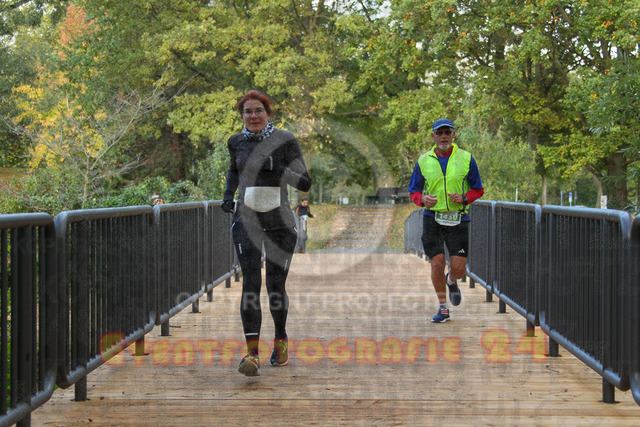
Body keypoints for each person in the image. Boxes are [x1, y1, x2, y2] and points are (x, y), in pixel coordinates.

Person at [221, 90, 312, 376]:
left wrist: (280, 170)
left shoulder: (285, 139)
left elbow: (305, 183)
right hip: (246, 221)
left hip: (279, 224)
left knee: (275, 286)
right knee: (250, 283)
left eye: (258, 110)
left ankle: (280, 341)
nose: (253, 116)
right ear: (241, 115)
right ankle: (251, 355)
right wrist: (228, 194)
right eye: (247, 112)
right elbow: (234, 171)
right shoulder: (236, 142)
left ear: (268, 113)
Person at [407, 119, 484, 323]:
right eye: (439, 133)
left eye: (447, 133)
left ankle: (451, 281)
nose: (443, 136)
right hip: (432, 218)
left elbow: (478, 189)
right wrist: (423, 200)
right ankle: (443, 308)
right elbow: (413, 191)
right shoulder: (424, 161)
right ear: (433, 136)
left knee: (459, 268)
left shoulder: (466, 158)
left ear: (453, 135)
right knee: (436, 264)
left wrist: (465, 198)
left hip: (458, 218)